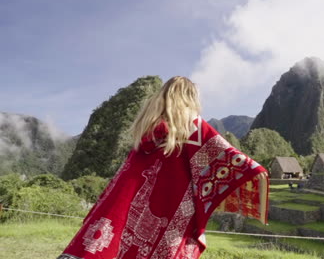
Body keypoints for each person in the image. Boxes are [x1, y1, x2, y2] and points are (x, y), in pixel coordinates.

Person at [57, 76, 269, 259]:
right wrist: (257, 172)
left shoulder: (144, 134)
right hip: (169, 217)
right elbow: (230, 160)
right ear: (190, 98)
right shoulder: (192, 127)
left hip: (118, 219)